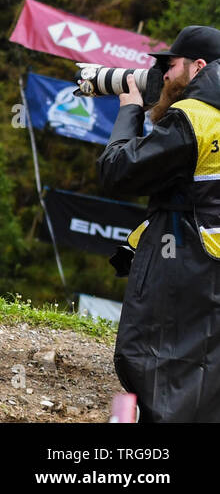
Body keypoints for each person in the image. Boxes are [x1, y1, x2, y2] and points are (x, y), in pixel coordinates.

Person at [98, 25, 220, 422]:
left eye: (170, 66)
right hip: (207, 264)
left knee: (152, 364)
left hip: (183, 266)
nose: (164, 76)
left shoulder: (193, 118)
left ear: (197, 67)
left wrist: (129, 109)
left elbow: (118, 172)